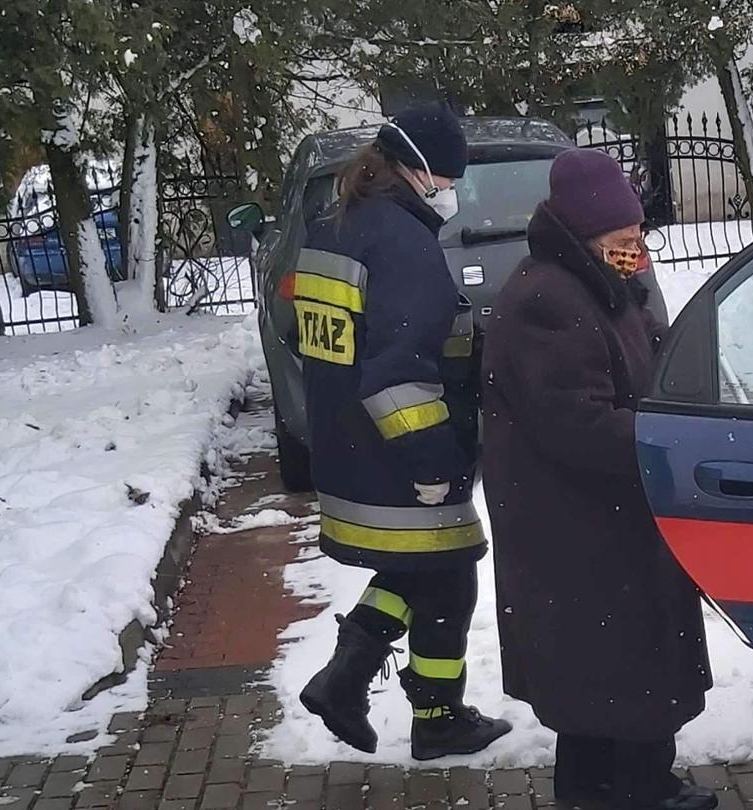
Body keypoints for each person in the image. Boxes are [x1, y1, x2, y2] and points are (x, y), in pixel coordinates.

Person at [481, 149, 715, 810]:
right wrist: (668, 441)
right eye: (622, 240)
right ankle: (635, 792)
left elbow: (648, 346)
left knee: (611, 686)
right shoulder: (547, 302)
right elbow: (577, 425)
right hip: (579, 534)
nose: (636, 249)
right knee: (615, 681)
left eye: (639, 236)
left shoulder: (597, 285)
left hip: (604, 526)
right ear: (585, 236)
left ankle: (623, 788)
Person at [294, 100, 508, 761]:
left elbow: (340, 348)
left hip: (346, 451)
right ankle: (429, 715)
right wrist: (432, 461)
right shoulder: (401, 242)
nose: (449, 192)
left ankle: (352, 683)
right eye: (446, 179)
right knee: (448, 574)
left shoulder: (338, 226)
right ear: (417, 169)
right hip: (397, 455)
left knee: (428, 574)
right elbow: (396, 374)